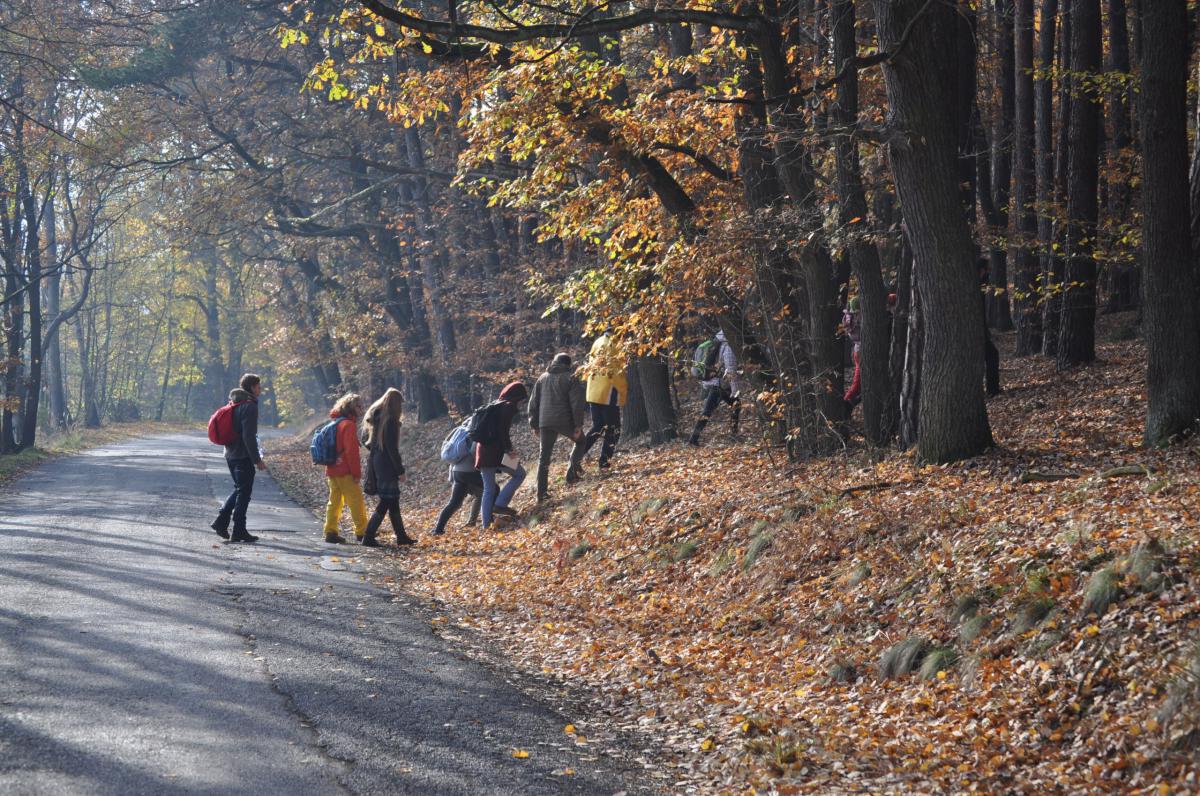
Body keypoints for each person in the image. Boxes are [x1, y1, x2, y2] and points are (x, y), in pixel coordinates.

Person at [212, 373, 266, 543]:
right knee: (244, 492)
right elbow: (248, 436)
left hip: (230, 454)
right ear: (251, 387)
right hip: (242, 455)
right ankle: (238, 529)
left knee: (240, 489)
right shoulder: (249, 406)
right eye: (258, 386)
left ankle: (223, 522)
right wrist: (257, 459)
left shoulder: (235, 403)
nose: (260, 389)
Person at [361, 388, 416, 547]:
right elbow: (392, 449)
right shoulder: (390, 421)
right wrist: (400, 471)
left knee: (393, 501)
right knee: (386, 500)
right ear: (396, 404)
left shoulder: (375, 418)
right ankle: (368, 535)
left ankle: (401, 536)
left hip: (378, 461)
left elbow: (365, 440)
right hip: (387, 464)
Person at [528, 353, 587, 502]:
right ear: (568, 364)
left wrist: (534, 424)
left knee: (544, 458)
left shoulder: (542, 378)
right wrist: (578, 425)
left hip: (545, 422)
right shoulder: (571, 378)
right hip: (564, 421)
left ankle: (541, 494)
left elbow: (533, 403)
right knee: (581, 441)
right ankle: (571, 474)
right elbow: (576, 403)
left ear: (554, 362)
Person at [475, 381, 529, 528]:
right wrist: (509, 449)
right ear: (517, 397)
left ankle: (486, 525)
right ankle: (500, 504)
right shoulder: (508, 407)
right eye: (522, 399)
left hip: (483, 450)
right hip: (497, 453)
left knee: (488, 488)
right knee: (520, 474)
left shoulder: (496, 404)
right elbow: (502, 431)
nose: (522, 403)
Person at [322, 393, 368, 544]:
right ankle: (362, 532)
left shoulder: (336, 422)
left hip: (332, 468)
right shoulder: (348, 425)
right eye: (358, 406)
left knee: (334, 502)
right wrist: (356, 473)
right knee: (356, 501)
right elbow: (351, 452)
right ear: (350, 407)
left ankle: (330, 531)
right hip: (345, 471)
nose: (361, 409)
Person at [581, 331, 628, 471]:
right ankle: (604, 463)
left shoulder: (598, 341)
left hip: (593, 391)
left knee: (598, 426)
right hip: (608, 391)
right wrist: (623, 391)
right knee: (614, 429)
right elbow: (617, 373)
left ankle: (576, 456)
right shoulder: (614, 344)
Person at [687, 330, 742, 446]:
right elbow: (731, 370)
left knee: (732, 406)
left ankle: (694, 438)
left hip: (715, 383)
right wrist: (735, 391)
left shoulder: (717, 344)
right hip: (720, 385)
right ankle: (733, 435)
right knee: (732, 405)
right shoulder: (728, 348)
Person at [843, 296, 862, 410]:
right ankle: (844, 403)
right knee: (856, 384)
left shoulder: (851, 319)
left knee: (858, 382)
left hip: (857, 351)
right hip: (859, 353)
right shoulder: (855, 321)